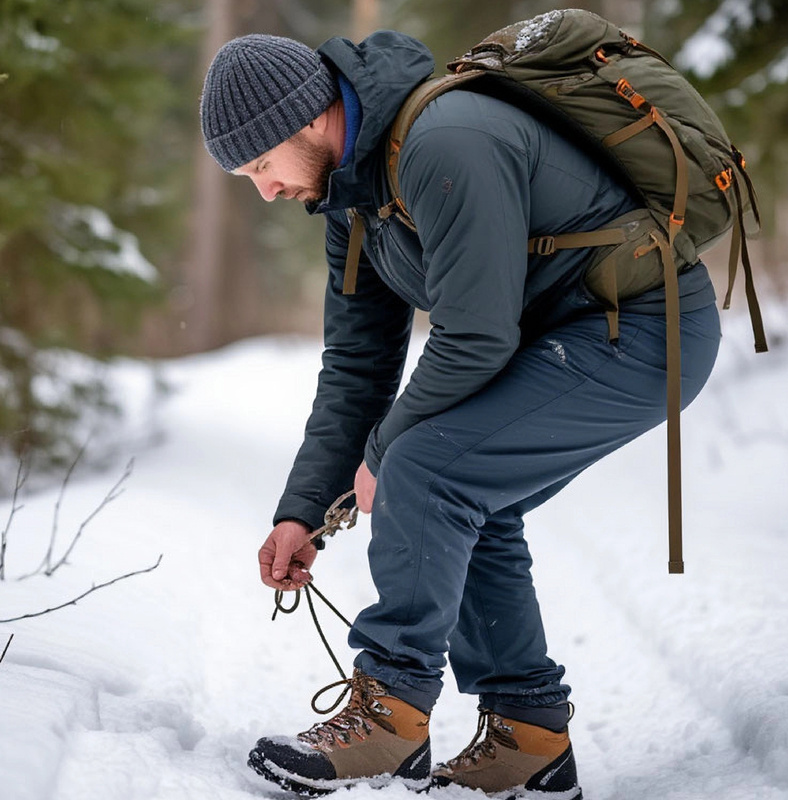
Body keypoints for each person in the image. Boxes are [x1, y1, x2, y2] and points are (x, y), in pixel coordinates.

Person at [199, 28, 722, 798]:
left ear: (307, 119)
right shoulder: (352, 198)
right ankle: (530, 741)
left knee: (429, 469)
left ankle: (389, 717)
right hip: (565, 335)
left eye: (261, 165)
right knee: (457, 484)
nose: (267, 190)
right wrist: (303, 510)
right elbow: (357, 365)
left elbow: (476, 335)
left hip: (642, 329)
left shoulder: (446, 143)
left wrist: (383, 454)